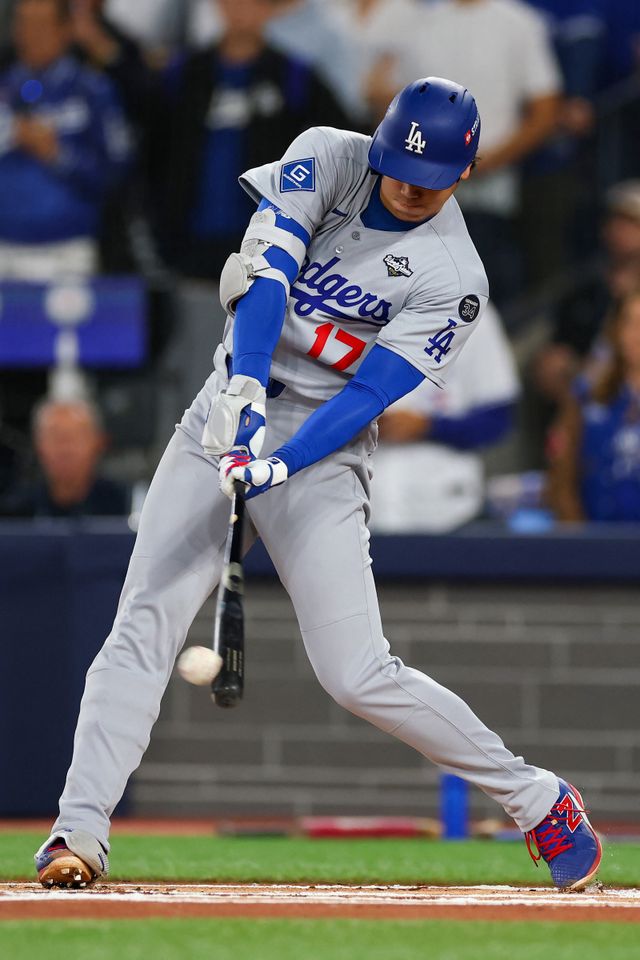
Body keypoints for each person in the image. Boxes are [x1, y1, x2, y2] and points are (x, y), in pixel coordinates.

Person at [35, 76, 600, 893]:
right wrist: (241, 389)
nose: (409, 187)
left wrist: (283, 461)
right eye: (400, 167)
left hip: (324, 449)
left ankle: (538, 798)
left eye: (431, 177)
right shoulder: (328, 157)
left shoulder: (455, 276)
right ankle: (79, 831)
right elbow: (265, 276)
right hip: (226, 413)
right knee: (142, 626)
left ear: (464, 174)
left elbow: (370, 394)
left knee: (355, 671)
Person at [155, 0, 349, 280]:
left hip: (267, 238)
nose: (242, 9)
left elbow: (340, 142)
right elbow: (154, 150)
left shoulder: (294, 77)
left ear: (270, 10)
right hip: (186, 239)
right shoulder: (183, 74)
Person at [392, 0, 562, 308]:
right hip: (420, 188)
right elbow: (398, 99)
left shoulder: (520, 22)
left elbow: (546, 111)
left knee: (478, 298)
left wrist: (481, 162)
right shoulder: (420, 21)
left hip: (490, 194)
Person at [0, 0, 132, 281]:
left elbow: (116, 174)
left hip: (66, 251)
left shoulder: (92, 90)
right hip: (4, 248)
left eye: (41, 25)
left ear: (65, 29)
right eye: (24, 24)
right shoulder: (4, 91)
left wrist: (58, 154)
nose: (31, 34)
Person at [371, 301, 519, 532]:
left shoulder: (472, 310)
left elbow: (496, 420)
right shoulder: (341, 301)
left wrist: (428, 426)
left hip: (448, 508)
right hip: (361, 507)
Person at [547, 287, 640, 522]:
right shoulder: (586, 395)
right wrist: (577, 533)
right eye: (630, 323)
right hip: (596, 536)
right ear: (616, 330)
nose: (637, 334)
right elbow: (560, 475)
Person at [0, 397, 129, 518]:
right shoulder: (13, 513)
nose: (65, 449)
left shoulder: (128, 506)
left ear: (99, 443)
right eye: (55, 437)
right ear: (37, 445)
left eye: (75, 437)